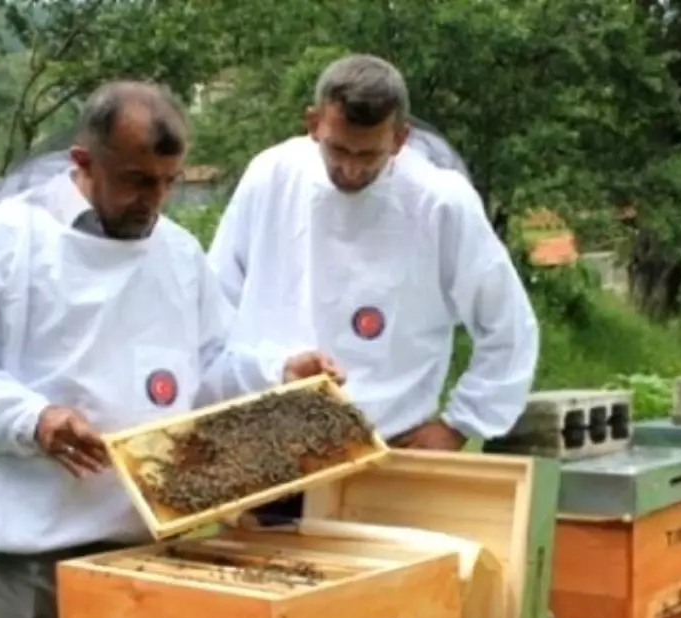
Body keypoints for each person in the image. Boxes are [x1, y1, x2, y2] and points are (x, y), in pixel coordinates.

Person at [0, 80, 342, 618]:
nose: (154, 200)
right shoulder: (5, 240)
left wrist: (278, 370)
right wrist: (34, 418)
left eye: (169, 181)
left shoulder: (180, 253)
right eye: (138, 180)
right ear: (83, 162)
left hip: (155, 546)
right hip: (37, 554)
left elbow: (209, 367)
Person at [207, 53, 539, 456]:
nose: (349, 169)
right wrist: (270, 371)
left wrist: (459, 424)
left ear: (400, 138)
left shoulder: (441, 202)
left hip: (391, 446)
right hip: (269, 441)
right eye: (338, 150)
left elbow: (508, 326)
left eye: (368, 156)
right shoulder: (271, 175)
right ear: (314, 123)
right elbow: (214, 307)